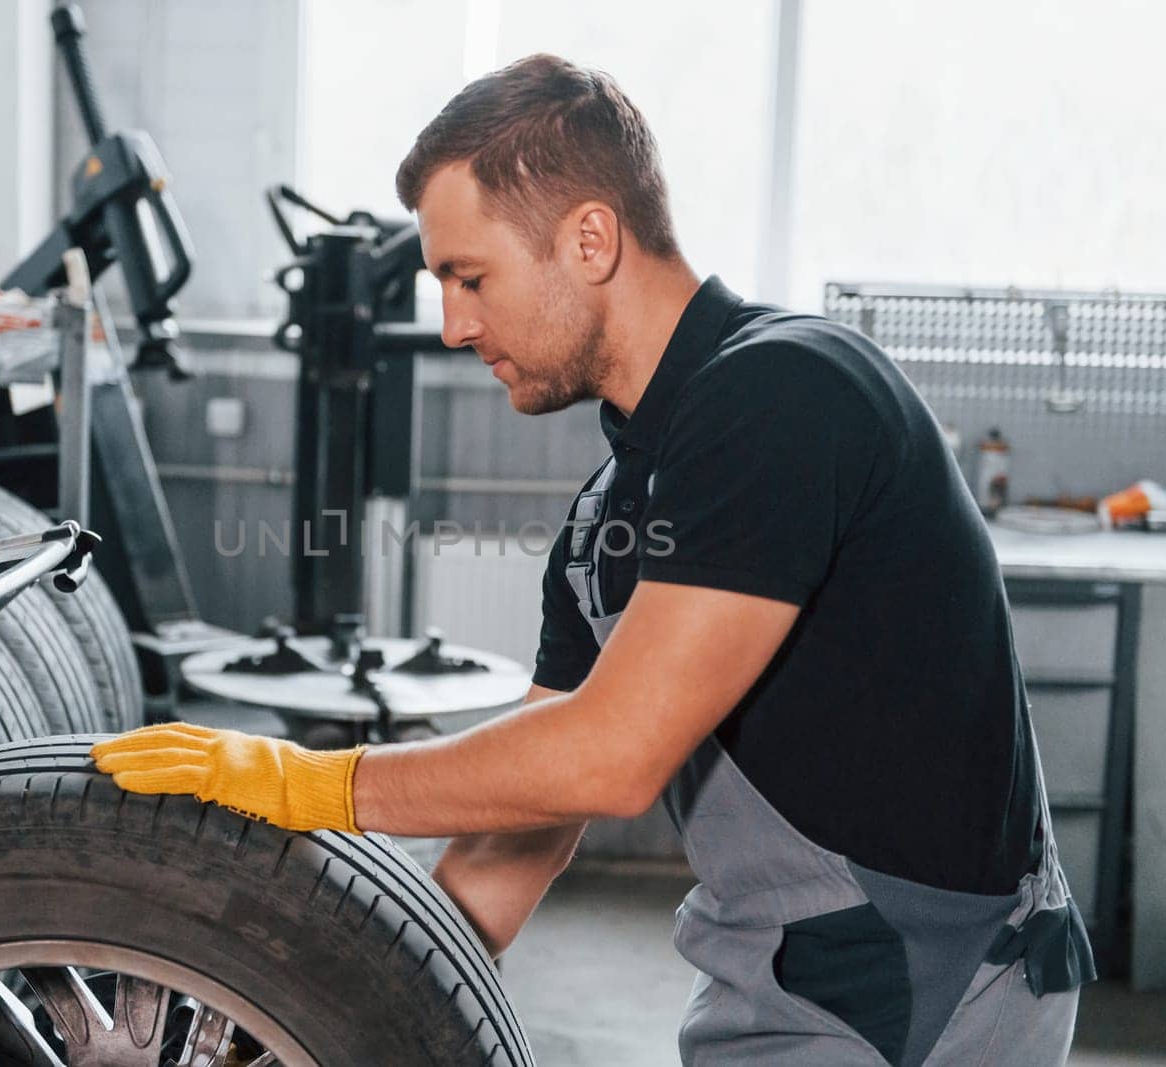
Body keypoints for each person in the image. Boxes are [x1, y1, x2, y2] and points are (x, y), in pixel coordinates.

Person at [91, 54, 1093, 1065]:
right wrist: (287, 1026)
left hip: (927, 986)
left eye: (467, 277)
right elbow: (520, 830)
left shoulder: (789, 392)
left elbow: (609, 755)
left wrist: (308, 781)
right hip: (781, 982)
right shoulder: (603, 525)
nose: (452, 325)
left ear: (589, 238)